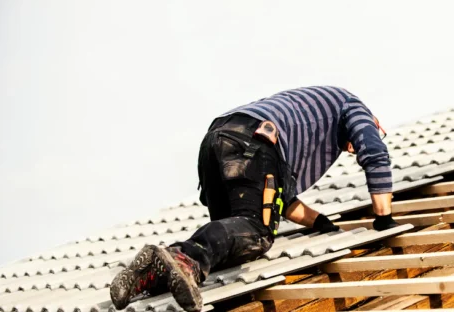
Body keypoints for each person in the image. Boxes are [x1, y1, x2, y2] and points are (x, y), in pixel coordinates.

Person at [109, 86, 398, 311]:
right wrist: (384, 220)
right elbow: (374, 154)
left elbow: (280, 198)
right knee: (257, 231)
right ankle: (183, 256)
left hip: (219, 139)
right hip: (253, 142)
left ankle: (151, 274)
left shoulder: (310, 115)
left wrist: (321, 223)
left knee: (233, 243)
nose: (349, 148)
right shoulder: (354, 108)